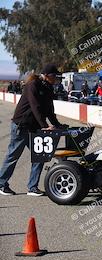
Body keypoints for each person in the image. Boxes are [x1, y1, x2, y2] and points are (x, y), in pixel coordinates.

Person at [0, 64, 63, 196]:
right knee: (13, 156)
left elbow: (49, 110)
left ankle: (32, 187)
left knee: (40, 155)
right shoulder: (32, 85)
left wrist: (57, 124)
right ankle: (1, 184)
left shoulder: (48, 87)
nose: (56, 78)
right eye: (54, 76)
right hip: (21, 125)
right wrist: (44, 125)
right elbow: (36, 107)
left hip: (35, 127)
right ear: (47, 75)